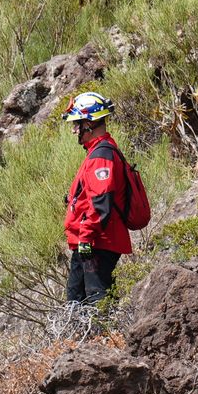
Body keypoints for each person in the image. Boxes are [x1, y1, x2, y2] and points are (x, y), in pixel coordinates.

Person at [62, 91, 131, 304]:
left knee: (97, 299)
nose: (74, 130)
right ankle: (84, 338)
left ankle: (106, 338)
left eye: (77, 123)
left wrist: (86, 237)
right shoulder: (97, 153)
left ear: (89, 124)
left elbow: (102, 202)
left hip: (97, 241)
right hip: (91, 240)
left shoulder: (101, 155)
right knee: (77, 300)